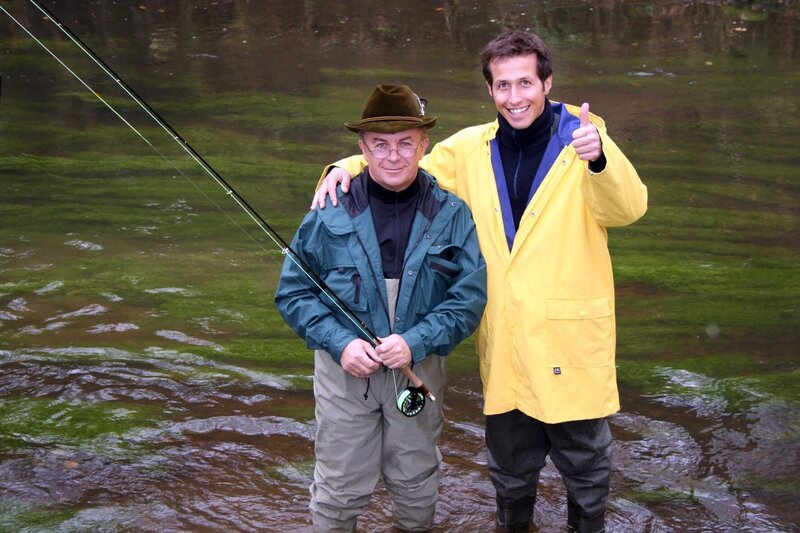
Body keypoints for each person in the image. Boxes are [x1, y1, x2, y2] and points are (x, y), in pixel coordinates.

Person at [311, 31, 648, 533]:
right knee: (510, 470)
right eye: (503, 86)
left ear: (547, 83)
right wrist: (345, 164)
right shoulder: (471, 147)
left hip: (571, 339)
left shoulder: (583, 137)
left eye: (525, 83)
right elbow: (405, 161)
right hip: (507, 341)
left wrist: (600, 159)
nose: (515, 97)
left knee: (586, 469)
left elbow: (628, 209)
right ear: (490, 91)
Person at [276, 84, 487, 532]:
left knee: (416, 481)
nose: (393, 155)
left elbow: (468, 299)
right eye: (381, 145)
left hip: (420, 367)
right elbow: (293, 293)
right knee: (338, 487)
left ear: (423, 144)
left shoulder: (454, 215)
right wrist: (340, 343)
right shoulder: (326, 210)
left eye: (405, 143)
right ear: (362, 148)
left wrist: (415, 342)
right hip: (343, 370)